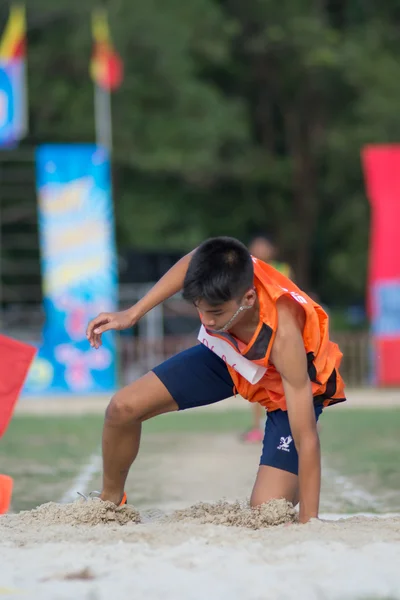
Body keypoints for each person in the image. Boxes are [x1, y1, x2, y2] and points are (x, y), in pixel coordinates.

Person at [86, 236, 346, 523]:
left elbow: (306, 438)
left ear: (248, 298)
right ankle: (110, 501)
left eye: (216, 312)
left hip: (282, 387)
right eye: (201, 309)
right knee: (122, 407)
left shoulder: (284, 337)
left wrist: (310, 521)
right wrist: (132, 314)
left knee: (267, 511)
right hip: (229, 358)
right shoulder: (216, 268)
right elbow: (193, 258)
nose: (207, 321)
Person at [243, 235, 293, 443]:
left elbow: (291, 295)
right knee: (257, 380)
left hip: (280, 329)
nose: (259, 249)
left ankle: (304, 421)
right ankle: (256, 428)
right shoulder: (246, 272)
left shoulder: (283, 269)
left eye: (263, 246)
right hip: (258, 331)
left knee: (291, 378)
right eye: (256, 246)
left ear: (272, 250)